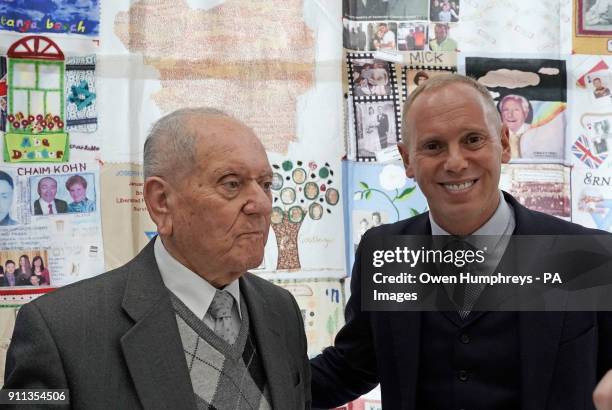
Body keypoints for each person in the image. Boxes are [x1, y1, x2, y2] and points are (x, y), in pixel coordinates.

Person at [310, 74, 612, 409]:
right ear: (408, 159)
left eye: (472, 140)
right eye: (433, 146)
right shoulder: (386, 253)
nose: (455, 162)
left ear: (505, 144)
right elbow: (351, 367)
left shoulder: (584, 256)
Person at [3, 108, 311, 409]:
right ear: (161, 202)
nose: (261, 204)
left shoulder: (280, 310)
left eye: (266, 184)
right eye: (231, 183)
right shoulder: (60, 330)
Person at [499, 94, 531, 159]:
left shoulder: (536, 132)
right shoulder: (493, 133)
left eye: (516, 110)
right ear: (501, 113)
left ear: (526, 113)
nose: (510, 115)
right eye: (506, 110)